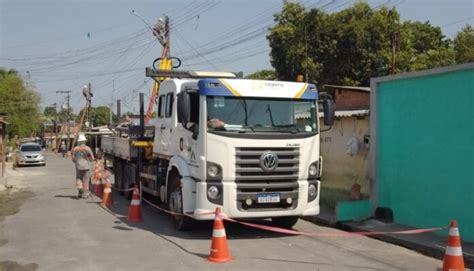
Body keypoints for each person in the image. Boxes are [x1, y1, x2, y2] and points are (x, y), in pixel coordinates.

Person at [72, 134, 95, 199]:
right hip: (86, 166)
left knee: (79, 178)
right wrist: (89, 160)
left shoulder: (75, 149)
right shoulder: (87, 149)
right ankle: (85, 194)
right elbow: (91, 158)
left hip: (78, 166)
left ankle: (80, 190)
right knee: (86, 179)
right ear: (84, 141)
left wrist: (76, 162)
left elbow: (73, 159)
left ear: (79, 141)